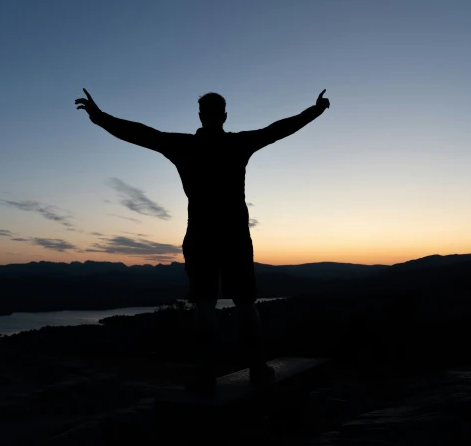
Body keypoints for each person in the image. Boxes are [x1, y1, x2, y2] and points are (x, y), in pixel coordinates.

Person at [75, 87, 330, 394]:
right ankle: (258, 367)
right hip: (235, 236)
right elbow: (277, 130)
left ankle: (206, 374)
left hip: (199, 236)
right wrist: (314, 111)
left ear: (200, 116)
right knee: (247, 304)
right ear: (223, 116)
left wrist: (100, 117)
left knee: (205, 305)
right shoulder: (238, 144)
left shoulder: (183, 146)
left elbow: (141, 134)